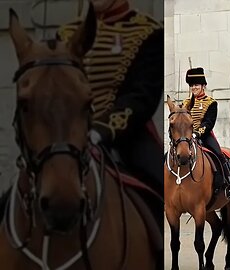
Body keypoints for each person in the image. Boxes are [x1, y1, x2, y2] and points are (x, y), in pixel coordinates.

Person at [57, 0, 164, 266]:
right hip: (67, 134)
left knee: (160, 189)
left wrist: (99, 132)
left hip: (126, 135)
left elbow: (142, 96)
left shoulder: (148, 32)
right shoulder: (65, 34)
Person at [182, 67, 230, 199]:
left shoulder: (211, 103)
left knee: (219, 155)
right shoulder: (186, 103)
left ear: (203, 86)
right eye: (191, 85)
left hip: (204, 136)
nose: (193, 88)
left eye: (196, 85)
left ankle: (229, 185)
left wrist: (196, 133)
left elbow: (209, 122)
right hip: (186, 137)